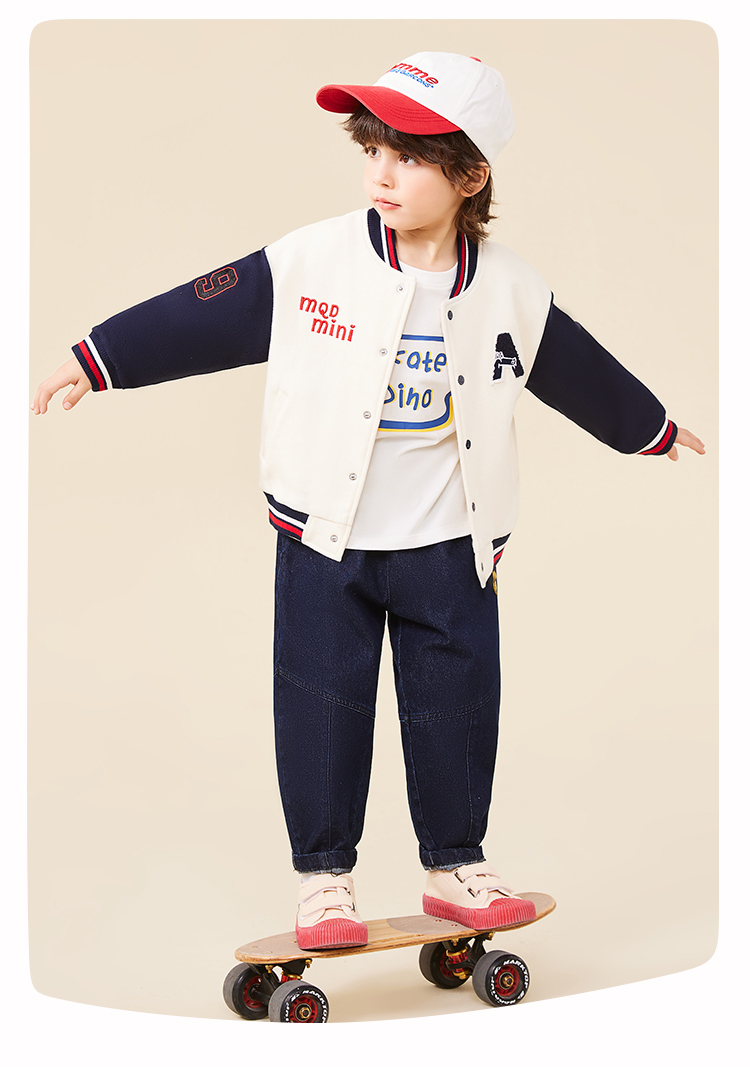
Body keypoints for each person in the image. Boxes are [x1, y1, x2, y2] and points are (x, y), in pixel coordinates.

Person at [32, 52, 705, 953]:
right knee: (322, 704)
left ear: (471, 175)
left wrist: (652, 426)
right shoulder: (314, 260)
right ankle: (325, 879)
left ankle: (455, 864)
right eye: (372, 150)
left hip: (453, 542)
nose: (381, 174)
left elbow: (576, 368)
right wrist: (98, 357)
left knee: (458, 703)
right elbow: (198, 312)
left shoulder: (512, 287)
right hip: (325, 537)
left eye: (409, 156)